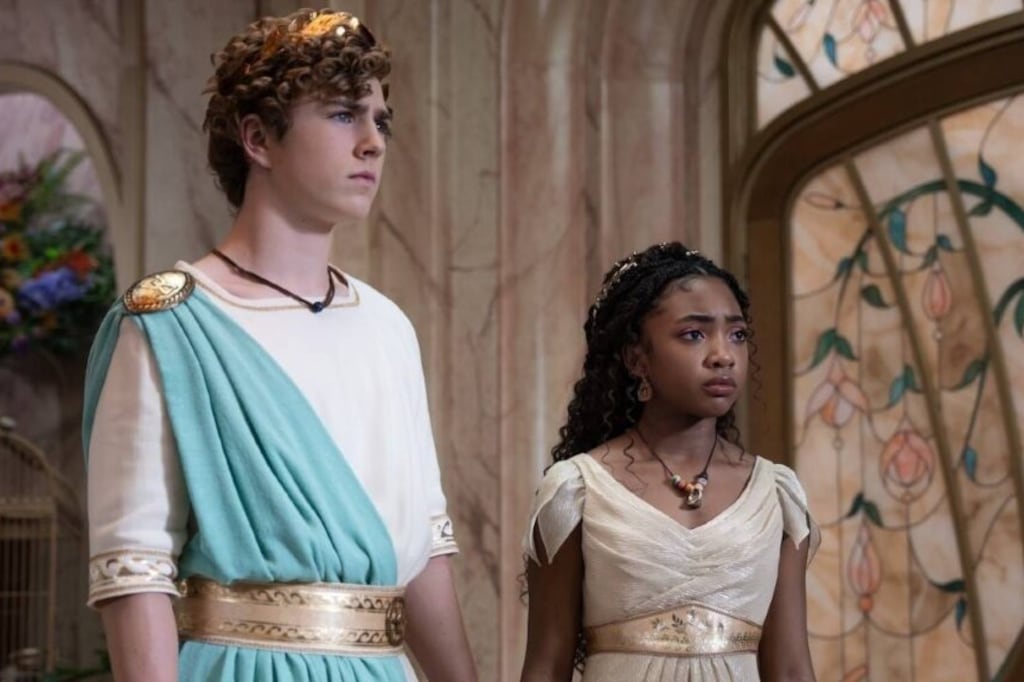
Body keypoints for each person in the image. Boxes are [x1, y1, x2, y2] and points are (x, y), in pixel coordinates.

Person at [82, 9, 476, 681]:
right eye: (344, 115)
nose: (373, 143)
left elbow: (422, 552)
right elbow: (135, 571)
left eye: (380, 122)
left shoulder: (387, 326)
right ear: (258, 138)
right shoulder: (167, 325)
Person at [520, 242, 819, 681]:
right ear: (636, 357)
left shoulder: (776, 495)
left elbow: (791, 669)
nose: (723, 355)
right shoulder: (577, 492)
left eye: (737, 334)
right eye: (694, 334)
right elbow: (546, 665)